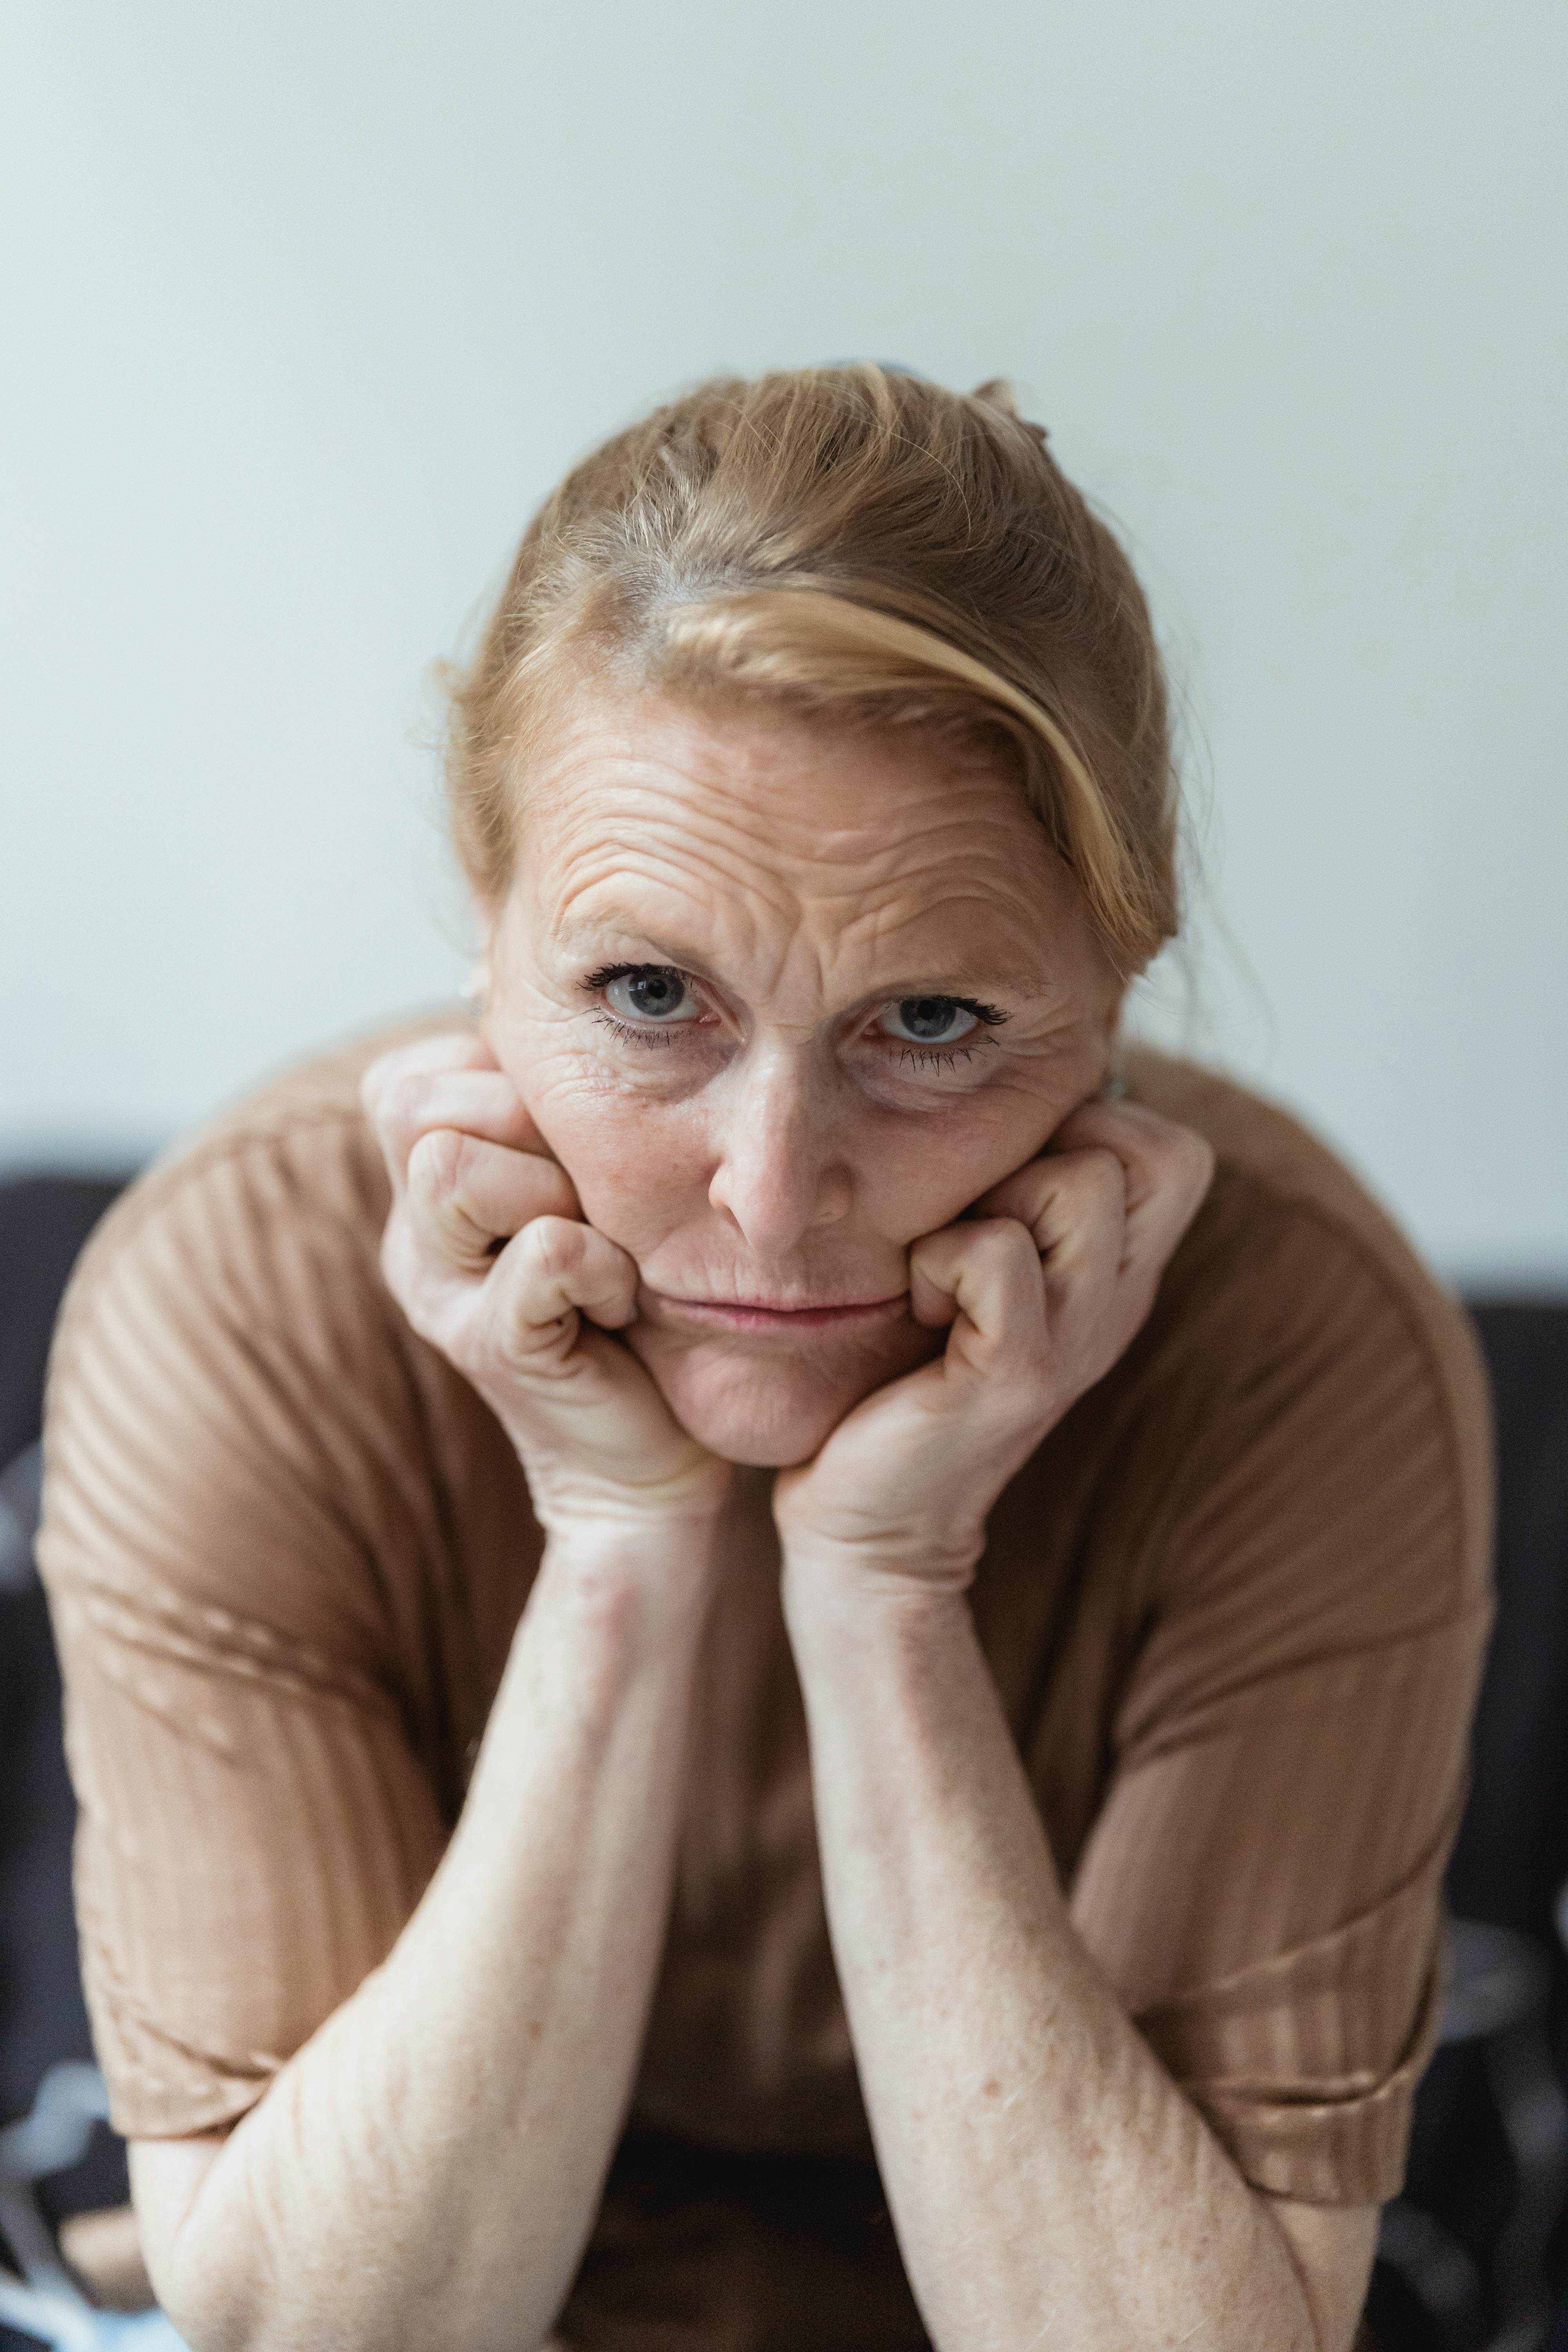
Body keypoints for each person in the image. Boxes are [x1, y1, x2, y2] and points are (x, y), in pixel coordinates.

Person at [38, 367, 1493, 2352]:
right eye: (650, 996)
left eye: (933, 1020)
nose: (773, 1192)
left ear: (1114, 991)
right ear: (487, 929)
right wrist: (620, 1541)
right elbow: (325, 2333)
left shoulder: (1299, 1350)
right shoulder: (239, 1298)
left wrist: (887, 1586)